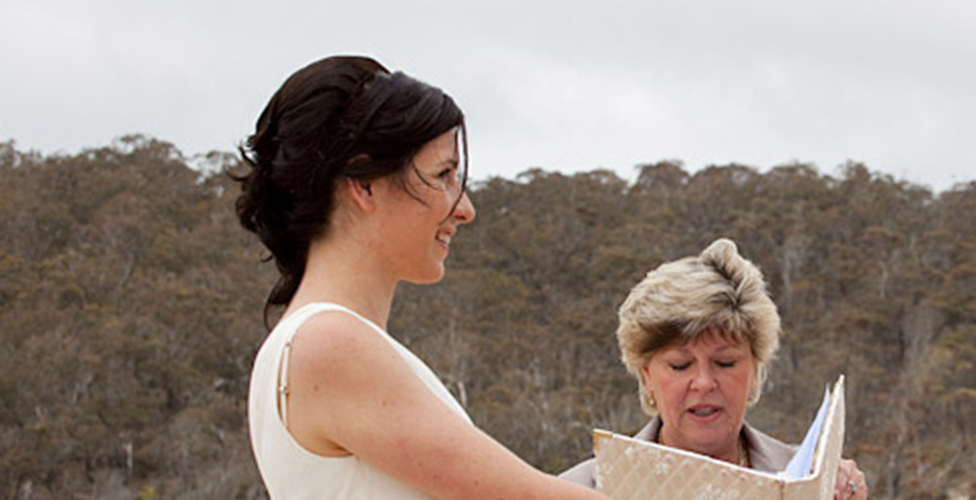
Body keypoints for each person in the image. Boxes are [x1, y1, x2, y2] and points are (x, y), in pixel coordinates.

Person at [235, 55, 607, 500]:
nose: (465, 208)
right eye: (443, 175)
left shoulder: (306, 342)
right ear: (365, 183)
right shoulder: (328, 343)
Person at [559, 239, 870, 500]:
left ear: (755, 370)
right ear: (646, 375)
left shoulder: (807, 483)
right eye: (680, 366)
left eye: (725, 363)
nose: (704, 383)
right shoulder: (580, 489)